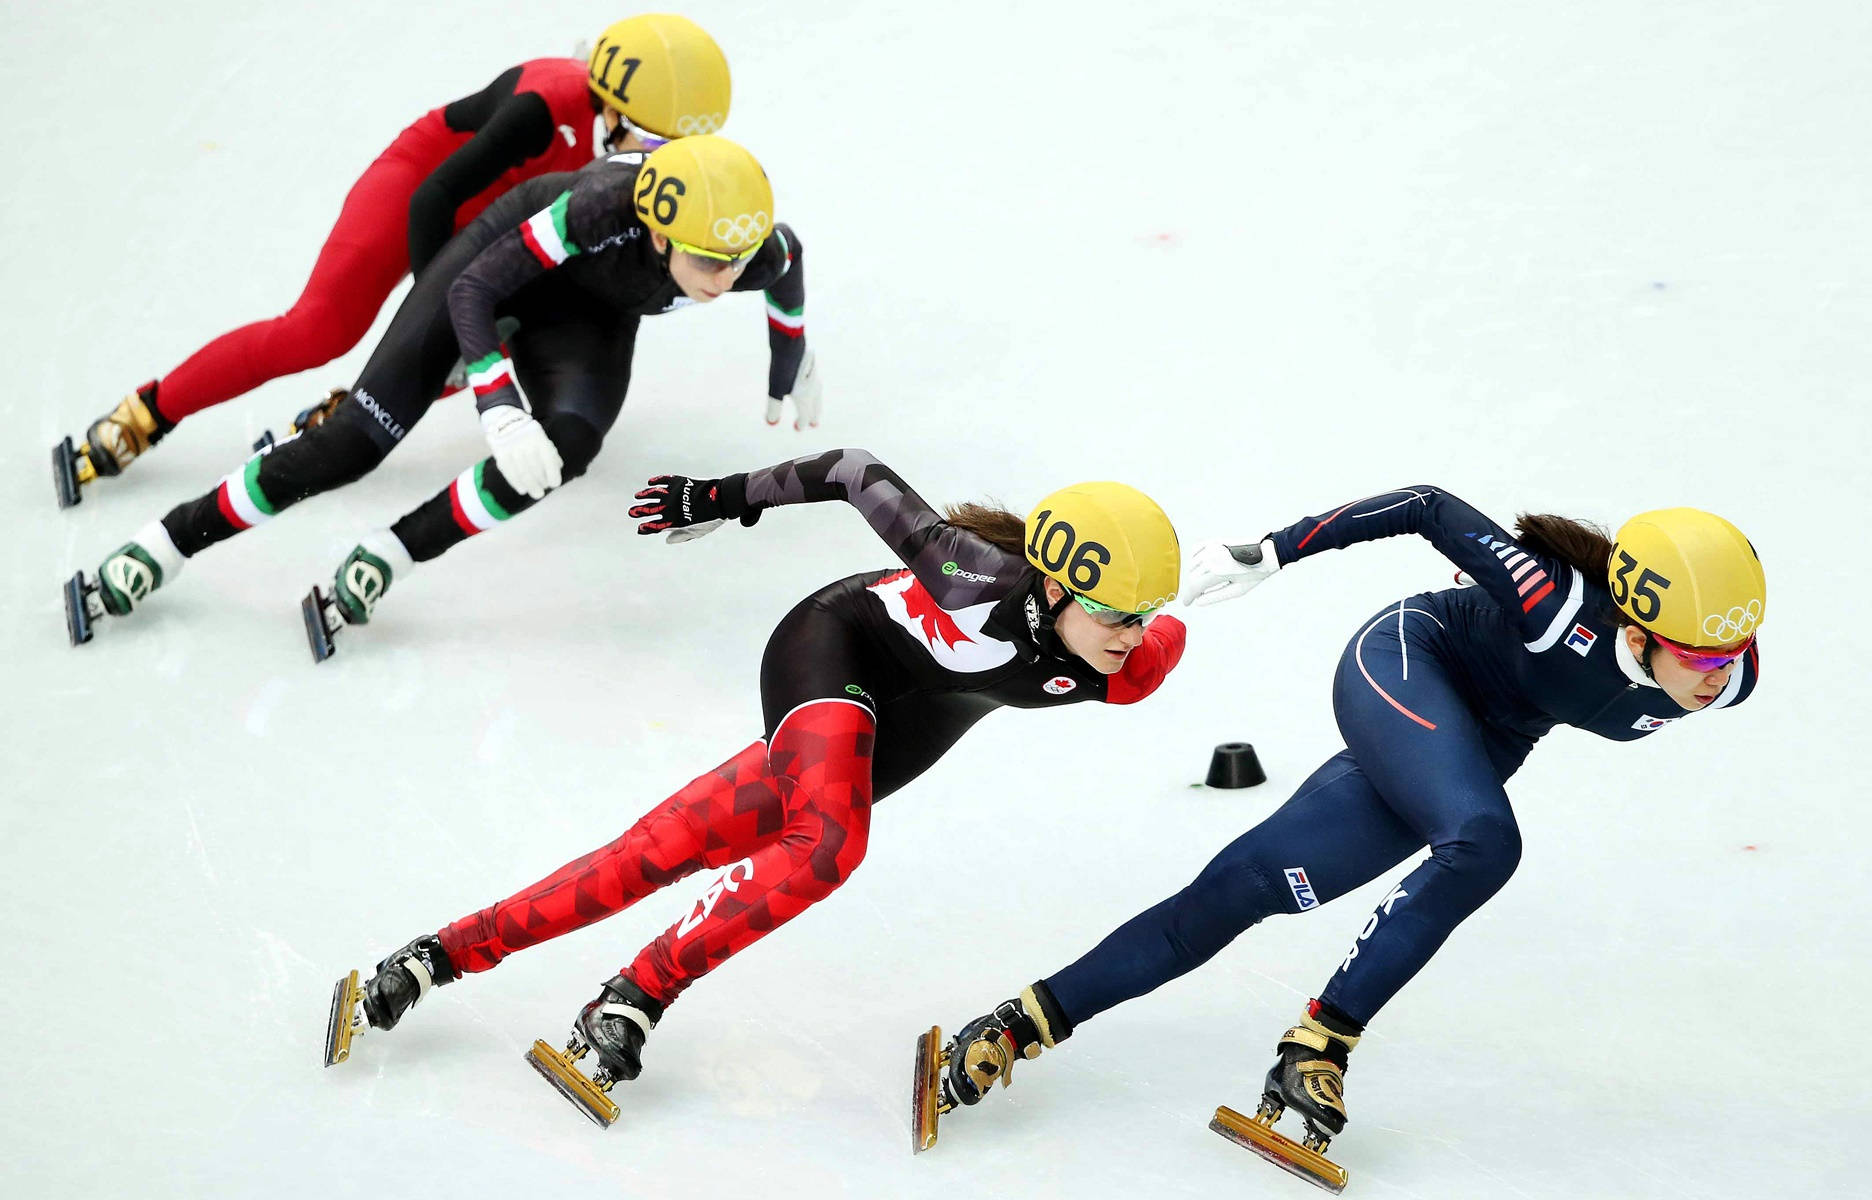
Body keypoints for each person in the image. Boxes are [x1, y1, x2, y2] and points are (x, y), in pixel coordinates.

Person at [322, 448, 1187, 1127]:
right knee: (830, 847)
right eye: (1118, 616)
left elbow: (1251, 561)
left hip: (900, 732)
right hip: (831, 650)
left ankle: (434, 955)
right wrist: (721, 498)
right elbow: (853, 469)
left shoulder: (1132, 664)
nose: (1134, 635)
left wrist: (1309, 539)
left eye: (1146, 617)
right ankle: (638, 994)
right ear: (1061, 585)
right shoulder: (966, 573)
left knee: (652, 854)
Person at [923, 487, 1764, 1185]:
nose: (1720, 676)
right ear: (1640, 630)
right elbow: (1429, 507)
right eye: (1701, 659)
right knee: (1484, 842)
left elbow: (1716, 663)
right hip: (1407, 664)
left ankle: (1017, 1024)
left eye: (1733, 655)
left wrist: (1720, 664)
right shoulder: (1552, 602)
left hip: (1478, 743)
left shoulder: (1731, 675)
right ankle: (1321, 1044)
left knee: (1243, 890)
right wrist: (1273, 549)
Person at [66, 132, 817, 652]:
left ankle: (389, 556)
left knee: (566, 448)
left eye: (738, 261)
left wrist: (791, 353)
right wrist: (495, 404)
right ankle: (164, 542)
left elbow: (788, 263)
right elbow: (477, 288)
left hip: (590, 312)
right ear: (658, 233)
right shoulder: (596, 211)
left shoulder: (749, 253)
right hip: (494, 263)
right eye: (713, 263)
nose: (729, 280)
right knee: (350, 446)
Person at [51, 14, 733, 508]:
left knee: (491, 342)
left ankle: (342, 411)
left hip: (509, 221)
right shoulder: (541, 108)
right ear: (612, 108)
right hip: (423, 190)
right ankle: (146, 414)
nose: (660, 158)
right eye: (653, 137)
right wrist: (435, 307)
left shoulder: (647, 157)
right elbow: (436, 197)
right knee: (320, 330)